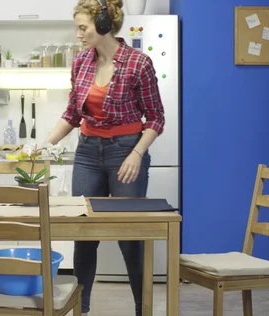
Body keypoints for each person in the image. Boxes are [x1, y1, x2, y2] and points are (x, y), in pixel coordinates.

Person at [45, 0, 165, 315]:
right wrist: (45, 144)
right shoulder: (81, 62)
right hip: (87, 152)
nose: (78, 35)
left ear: (102, 26)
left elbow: (156, 118)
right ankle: (80, 309)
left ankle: (143, 308)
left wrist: (138, 152)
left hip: (126, 151)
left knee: (130, 237)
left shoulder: (139, 63)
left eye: (82, 28)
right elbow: (72, 113)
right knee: (83, 235)